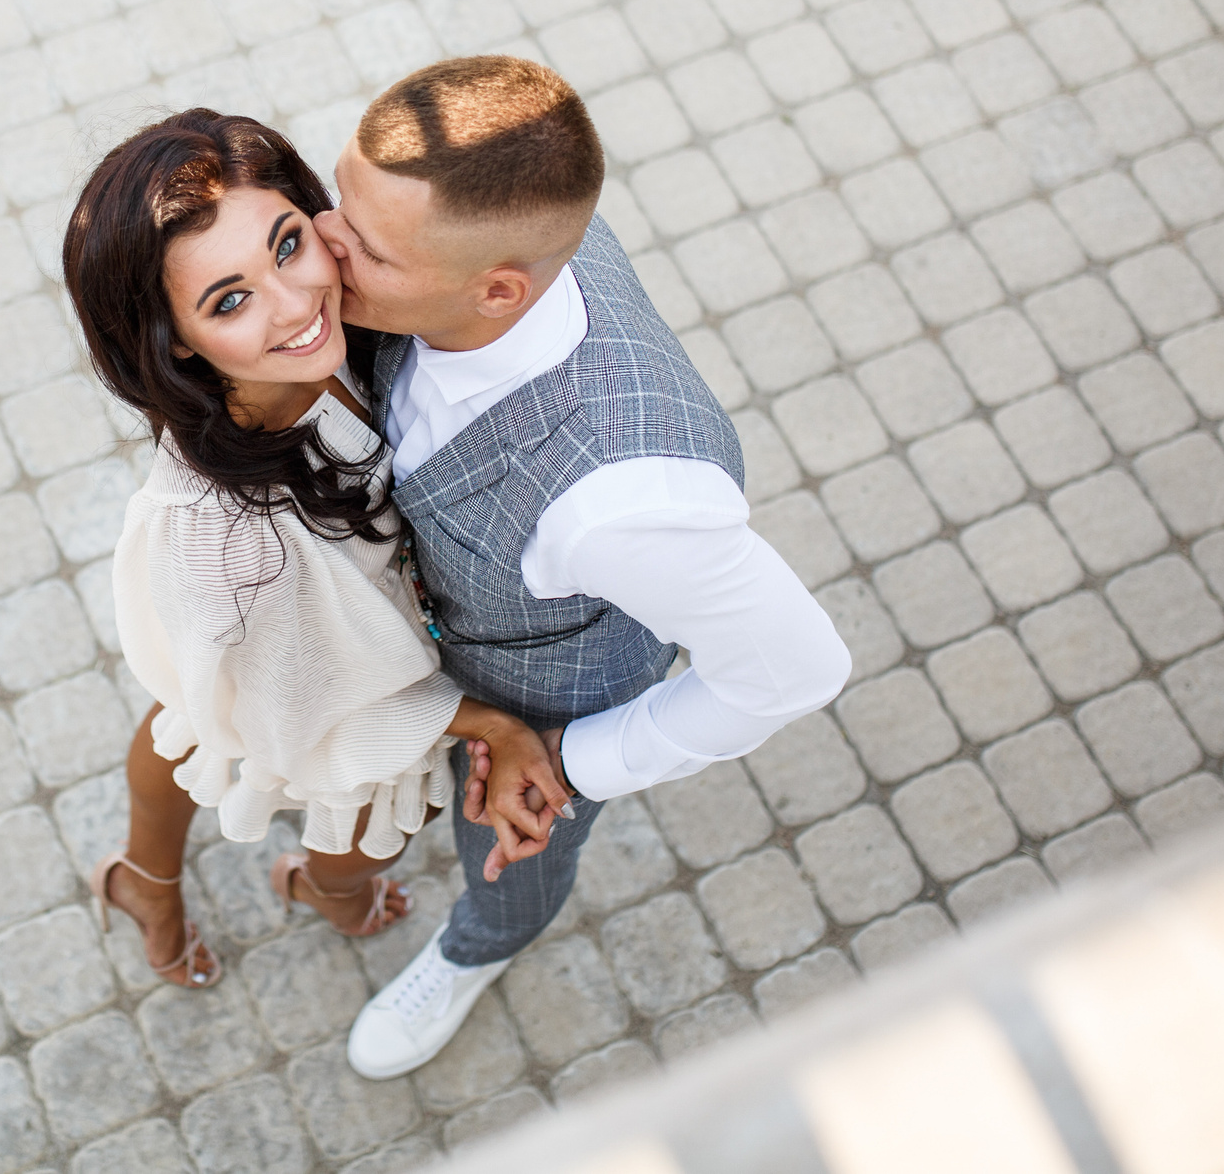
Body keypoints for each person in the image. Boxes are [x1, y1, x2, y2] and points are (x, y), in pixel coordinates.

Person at [314, 55, 854, 1078]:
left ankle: (480, 944)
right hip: (438, 633)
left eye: (368, 251)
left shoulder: (624, 503)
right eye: (339, 199)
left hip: (544, 695)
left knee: (509, 847)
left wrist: (571, 763)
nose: (326, 250)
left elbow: (794, 672)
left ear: (499, 288)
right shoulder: (474, 255)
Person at [62, 109, 568, 989]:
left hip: (320, 635)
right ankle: (316, 890)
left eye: (288, 244)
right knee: (312, 786)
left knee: (187, 717)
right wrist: (486, 720)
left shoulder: (356, 324)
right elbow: (303, 708)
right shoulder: (231, 548)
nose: (297, 305)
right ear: (175, 338)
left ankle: (151, 879)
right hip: (309, 689)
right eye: (230, 299)